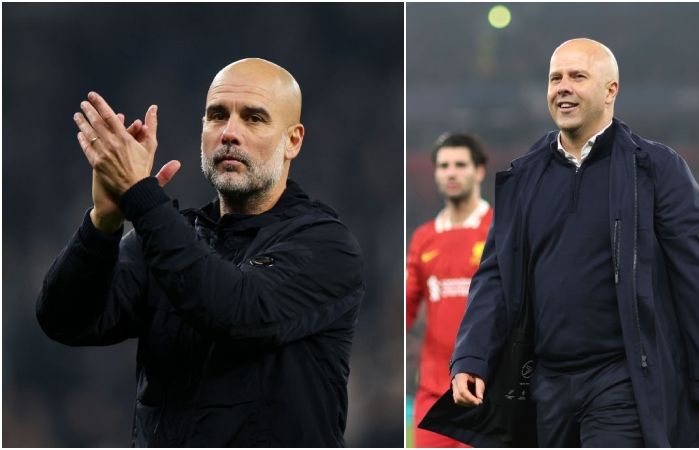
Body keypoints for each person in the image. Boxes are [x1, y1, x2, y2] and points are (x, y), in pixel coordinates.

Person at [37, 58, 364, 447]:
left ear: (292, 140)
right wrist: (104, 222)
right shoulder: (164, 237)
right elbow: (64, 319)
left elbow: (236, 312)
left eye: (254, 118)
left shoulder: (325, 245)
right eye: (217, 115)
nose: (229, 133)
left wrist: (143, 198)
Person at [448, 38, 699, 447]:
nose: (562, 87)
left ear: (610, 90)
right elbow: (495, 275)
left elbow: (695, 278)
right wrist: (472, 355)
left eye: (577, 77)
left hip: (623, 377)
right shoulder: (523, 178)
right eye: (555, 78)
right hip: (544, 382)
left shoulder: (656, 170)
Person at [407, 133, 492, 447]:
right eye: (444, 166)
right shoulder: (423, 238)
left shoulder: (500, 230)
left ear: (479, 171)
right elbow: (405, 306)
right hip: (433, 393)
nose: (451, 172)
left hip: (487, 389)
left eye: (460, 164)